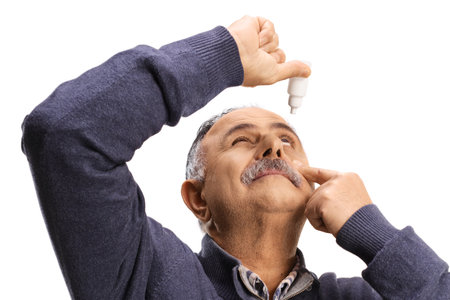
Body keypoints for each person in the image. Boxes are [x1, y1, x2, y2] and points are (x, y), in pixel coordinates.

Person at [21, 15, 449, 300]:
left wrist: (375, 235)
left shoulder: (361, 296)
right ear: (197, 198)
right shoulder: (145, 276)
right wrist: (223, 58)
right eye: (241, 140)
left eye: (287, 139)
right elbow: (64, 134)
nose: (274, 148)